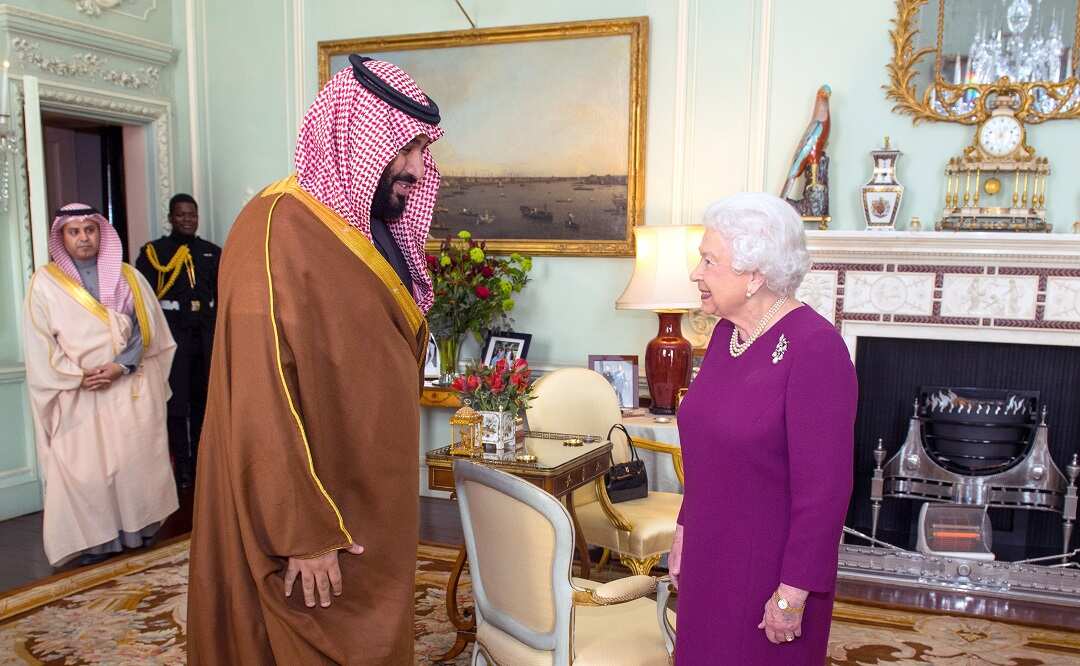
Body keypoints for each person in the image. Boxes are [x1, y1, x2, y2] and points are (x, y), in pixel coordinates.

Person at [186, 55, 442, 664]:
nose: (415, 167)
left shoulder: (366, 225)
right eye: (404, 148)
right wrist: (302, 530)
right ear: (358, 136)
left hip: (367, 487)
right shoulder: (275, 227)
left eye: (419, 150)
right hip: (313, 506)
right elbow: (261, 392)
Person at [669, 193, 856, 664]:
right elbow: (709, 454)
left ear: (754, 275)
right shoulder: (724, 336)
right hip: (710, 556)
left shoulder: (816, 349)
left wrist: (793, 595)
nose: (696, 273)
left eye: (709, 261)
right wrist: (684, 531)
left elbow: (826, 491)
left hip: (769, 573)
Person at [23, 204, 178, 567]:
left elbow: (147, 328)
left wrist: (119, 366)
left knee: (130, 464)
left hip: (125, 385)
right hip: (79, 392)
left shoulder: (129, 277)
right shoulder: (45, 282)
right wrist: (80, 376)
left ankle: (136, 532)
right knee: (88, 469)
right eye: (73, 231)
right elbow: (40, 342)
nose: (83, 238)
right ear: (61, 237)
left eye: (89, 230)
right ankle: (97, 541)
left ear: (100, 233)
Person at [136, 194, 221, 488]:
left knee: (203, 403)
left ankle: (201, 463)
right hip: (173, 340)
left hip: (205, 339)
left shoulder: (212, 252)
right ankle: (181, 467)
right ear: (171, 217)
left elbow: (220, 297)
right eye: (182, 215)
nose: (188, 220)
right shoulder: (154, 253)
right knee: (176, 406)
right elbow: (143, 301)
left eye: (192, 215)